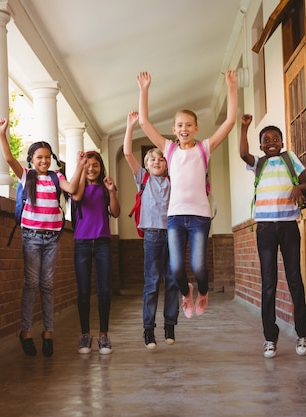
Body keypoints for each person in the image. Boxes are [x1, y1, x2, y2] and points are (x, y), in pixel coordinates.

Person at [137, 70, 238, 319]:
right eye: (179, 125)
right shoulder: (169, 150)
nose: (184, 129)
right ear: (174, 128)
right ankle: (186, 293)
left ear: (196, 128)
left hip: (200, 217)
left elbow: (229, 121)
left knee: (198, 266)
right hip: (175, 217)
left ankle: (202, 292)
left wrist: (231, 87)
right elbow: (144, 123)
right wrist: (144, 90)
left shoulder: (204, 148)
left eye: (189, 125)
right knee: (176, 268)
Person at [0, 117, 85, 357]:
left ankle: (48, 332)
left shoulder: (58, 178)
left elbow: (73, 190)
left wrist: (80, 166)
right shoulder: (27, 177)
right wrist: (2, 134)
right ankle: (25, 330)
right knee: (31, 284)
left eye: (47, 157)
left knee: (47, 285)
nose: (44, 161)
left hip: (52, 238)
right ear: (31, 160)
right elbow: (8, 159)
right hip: (32, 237)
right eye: (39, 157)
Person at [238, 114, 306, 358]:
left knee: (294, 280)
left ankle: (302, 334)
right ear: (260, 146)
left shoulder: (290, 160)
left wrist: (299, 188)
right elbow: (242, 154)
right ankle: (270, 338)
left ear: (282, 143)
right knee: (268, 283)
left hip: (289, 225)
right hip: (266, 229)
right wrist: (244, 127)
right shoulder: (258, 164)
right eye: (266, 140)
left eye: (276, 139)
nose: (271, 142)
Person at [123, 111, 178, 349]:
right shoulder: (142, 178)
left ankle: (169, 325)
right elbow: (127, 152)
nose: (157, 162)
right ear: (146, 165)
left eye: (161, 159)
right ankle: (148, 330)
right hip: (153, 236)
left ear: (167, 164)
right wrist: (130, 126)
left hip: (174, 233)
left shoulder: (172, 180)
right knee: (152, 282)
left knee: (174, 280)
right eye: (152, 160)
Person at [71, 151, 121, 355]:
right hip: (81, 243)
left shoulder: (104, 188)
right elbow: (78, 196)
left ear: (101, 168)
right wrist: (80, 167)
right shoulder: (77, 186)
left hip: (103, 244)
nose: (91, 168)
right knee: (83, 292)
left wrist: (112, 192)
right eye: (88, 165)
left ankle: (103, 335)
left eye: (95, 165)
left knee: (104, 291)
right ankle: (85, 334)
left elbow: (116, 212)